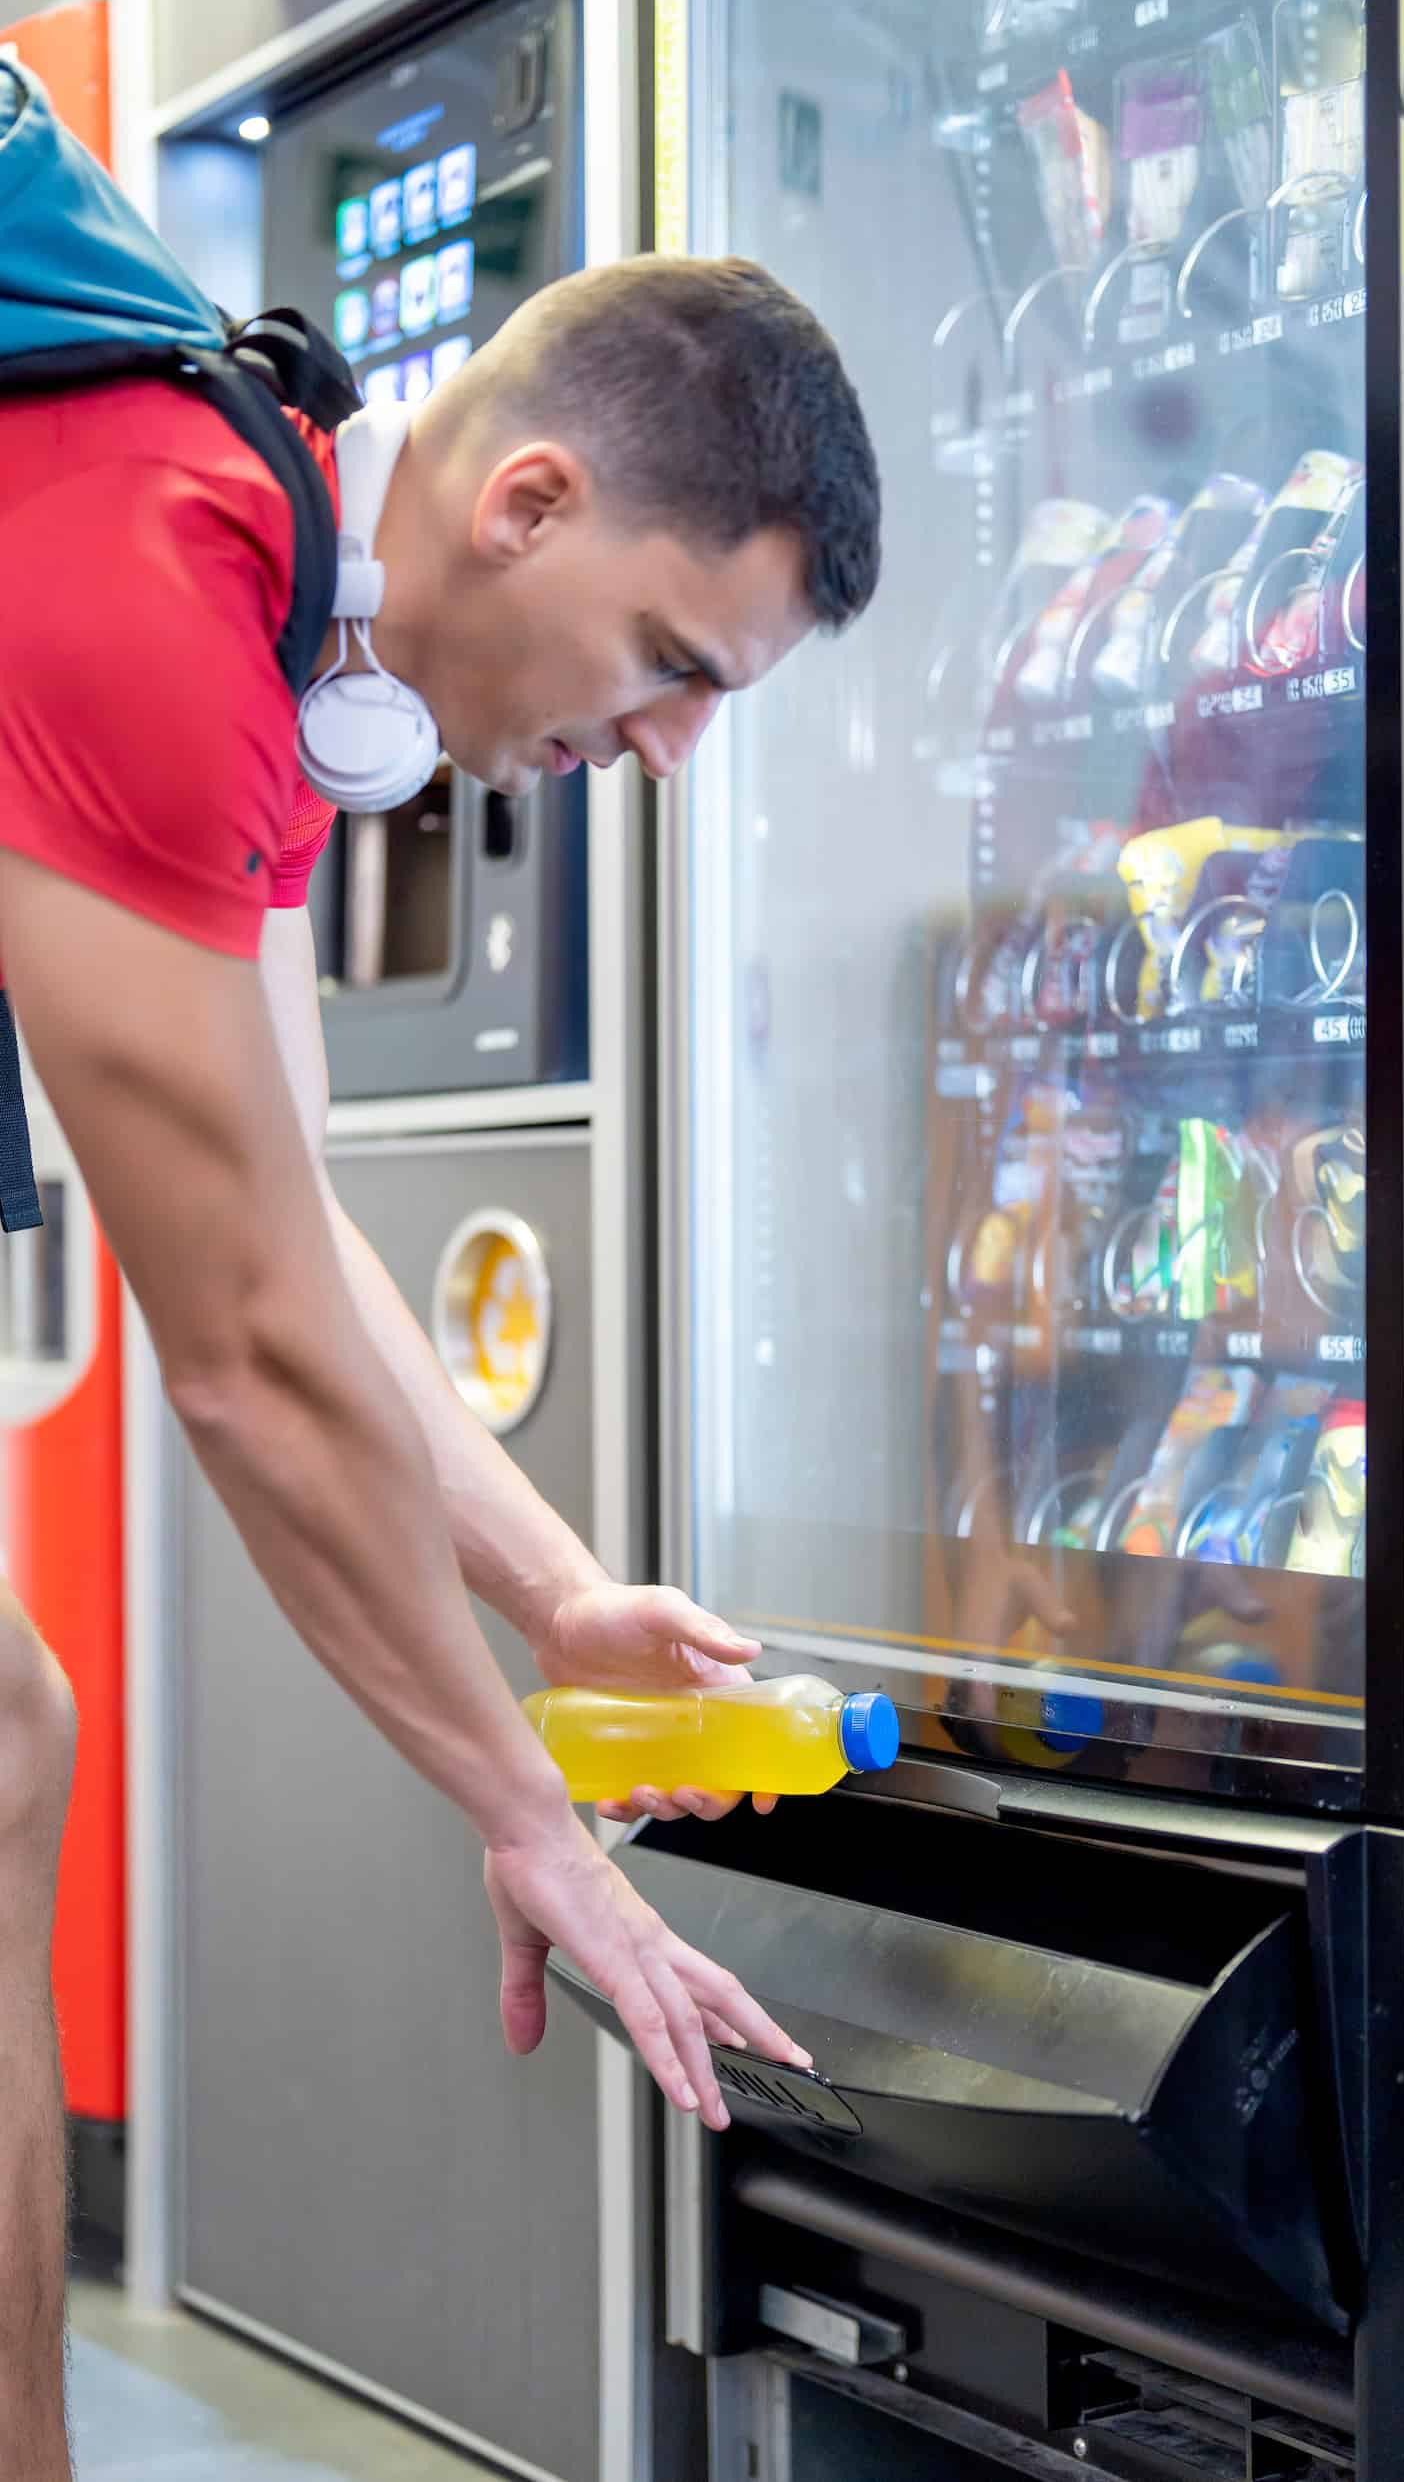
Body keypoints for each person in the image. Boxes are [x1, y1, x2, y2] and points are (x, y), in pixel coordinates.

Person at [0, 251, 880, 2476]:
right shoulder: (153, 574)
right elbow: (249, 1366)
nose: (670, 752)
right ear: (528, 504)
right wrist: (527, 1809)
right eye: (673, 664)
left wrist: (558, 1593)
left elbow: (291, 1231)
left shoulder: (275, 592)